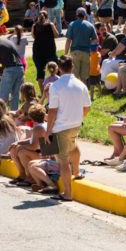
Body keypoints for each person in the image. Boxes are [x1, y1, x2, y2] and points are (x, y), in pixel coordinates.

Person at [45, 55, 92, 201]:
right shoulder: (80, 85)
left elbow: (52, 111)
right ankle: (77, 172)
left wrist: (48, 130)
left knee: (63, 161)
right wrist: (79, 118)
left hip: (60, 127)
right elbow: (87, 107)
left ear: (59, 68)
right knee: (73, 145)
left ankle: (67, 193)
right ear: (72, 67)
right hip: (75, 124)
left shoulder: (55, 86)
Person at [7, 104, 48, 188]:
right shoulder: (40, 125)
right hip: (40, 152)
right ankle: (22, 175)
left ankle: (30, 177)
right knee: (14, 149)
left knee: (22, 153)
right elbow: (33, 140)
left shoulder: (39, 128)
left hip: (44, 155)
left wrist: (20, 147)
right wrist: (18, 143)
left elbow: (34, 146)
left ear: (31, 117)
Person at [0, 34, 25, 110]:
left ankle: (0, 116)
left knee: (2, 96)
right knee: (15, 94)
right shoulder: (8, 41)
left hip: (10, 70)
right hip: (20, 68)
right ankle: (13, 115)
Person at [64, 8, 98, 84]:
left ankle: (75, 93)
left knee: (74, 76)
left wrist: (66, 53)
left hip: (75, 52)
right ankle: (83, 93)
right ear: (85, 15)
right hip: (86, 52)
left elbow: (68, 40)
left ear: (76, 15)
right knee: (84, 77)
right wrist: (88, 41)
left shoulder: (72, 24)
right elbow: (95, 40)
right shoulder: (90, 25)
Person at [31, 10, 59, 86]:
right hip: (50, 51)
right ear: (47, 17)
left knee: (40, 73)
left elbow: (33, 36)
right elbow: (56, 35)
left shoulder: (34, 26)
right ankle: (58, 87)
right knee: (56, 69)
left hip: (38, 52)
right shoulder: (50, 25)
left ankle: (43, 92)